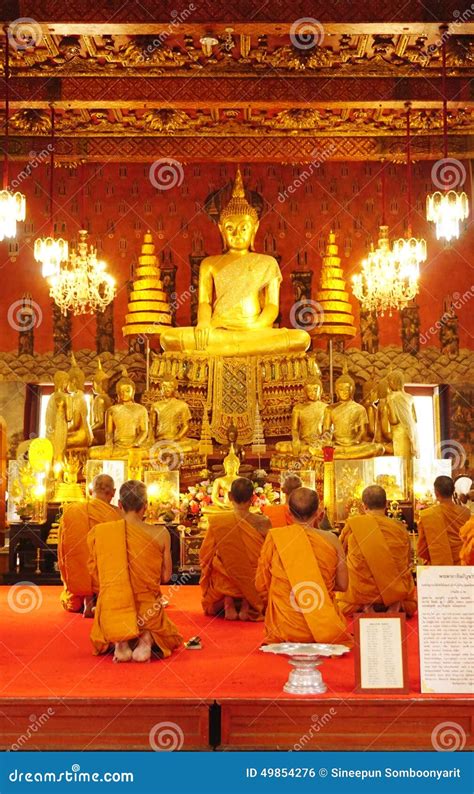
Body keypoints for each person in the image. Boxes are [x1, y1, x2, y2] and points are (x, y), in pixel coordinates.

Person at [88, 480, 182, 662]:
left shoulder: (101, 533)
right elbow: (166, 577)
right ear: (145, 506)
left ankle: (120, 641)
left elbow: (96, 576)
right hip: (148, 611)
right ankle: (145, 638)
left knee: (111, 602)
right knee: (155, 620)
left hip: (114, 607)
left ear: (120, 505)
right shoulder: (161, 533)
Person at [256, 487, 352, 645]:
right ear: (318, 513)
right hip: (324, 625)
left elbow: (261, 584)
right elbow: (343, 585)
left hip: (284, 627)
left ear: (288, 512)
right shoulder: (332, 540)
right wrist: (316, 582)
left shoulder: (276, 538)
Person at [336, 485, 416, 616]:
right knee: (410, 605)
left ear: (364, 506)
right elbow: (408, 561)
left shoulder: (353, 526)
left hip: (359, 596)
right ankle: (396, 604)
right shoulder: (399, 528)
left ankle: (365, 604)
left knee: (342, 606)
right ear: (386, 504)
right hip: (395, 593)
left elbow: (340, 557)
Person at [200, 477, 271, 621]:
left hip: (225, 581)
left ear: (230, 496)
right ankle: (247, 602)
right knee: (258, 568)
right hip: (253, 579)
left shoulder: (219, 522)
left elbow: (205, 554)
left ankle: (228, 599)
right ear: (252, 498)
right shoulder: (263, 522)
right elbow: (270, 553)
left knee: (220, 563)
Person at [58, 474, 118, 616]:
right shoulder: (116, 515)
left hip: (79, 578)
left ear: (90, 491)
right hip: (108, 581)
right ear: (113, 492)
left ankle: (86, 596)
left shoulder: (72, 511)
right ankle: (98, 597)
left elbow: (62, 549)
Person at [417, 476, 470, 565]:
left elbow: (422, 550)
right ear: (453, 491)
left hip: (439, 568)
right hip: (464, 567)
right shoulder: (467, 513)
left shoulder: (428, 515)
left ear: (436, 493)